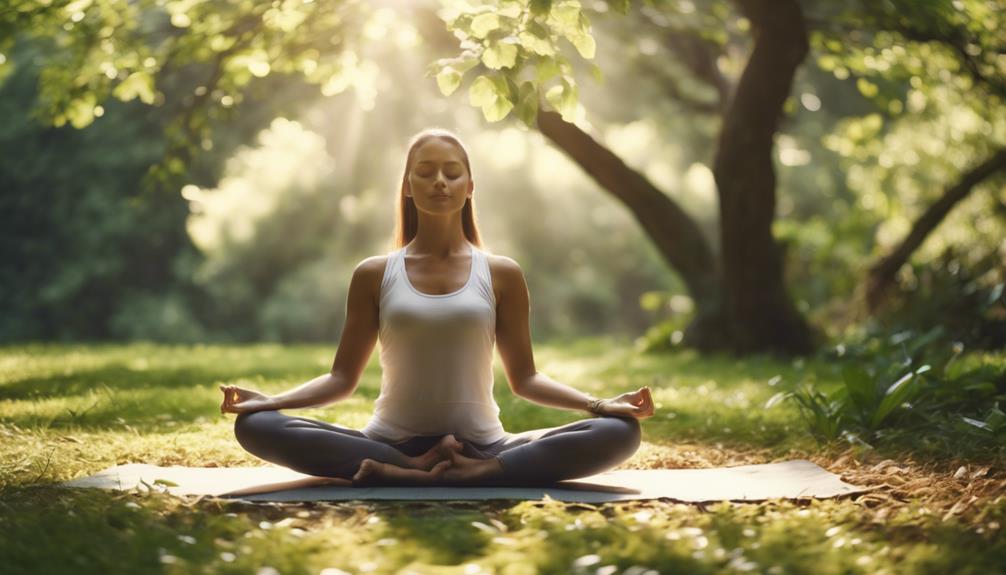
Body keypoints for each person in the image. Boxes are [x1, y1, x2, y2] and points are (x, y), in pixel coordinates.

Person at [220, 128, 655, 487]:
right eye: (425, 173)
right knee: (258, 426)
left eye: (452, 173)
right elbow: (341, 379)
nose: (440, 182)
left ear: (470, 186)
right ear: (408, 187)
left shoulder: (501, 273)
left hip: (483, 443)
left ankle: (481, 469)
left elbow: (526, 379)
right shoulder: (374, 273)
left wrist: (600, 406)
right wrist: (271, 402)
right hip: (388, 445)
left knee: (619, 431)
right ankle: (417, 467)